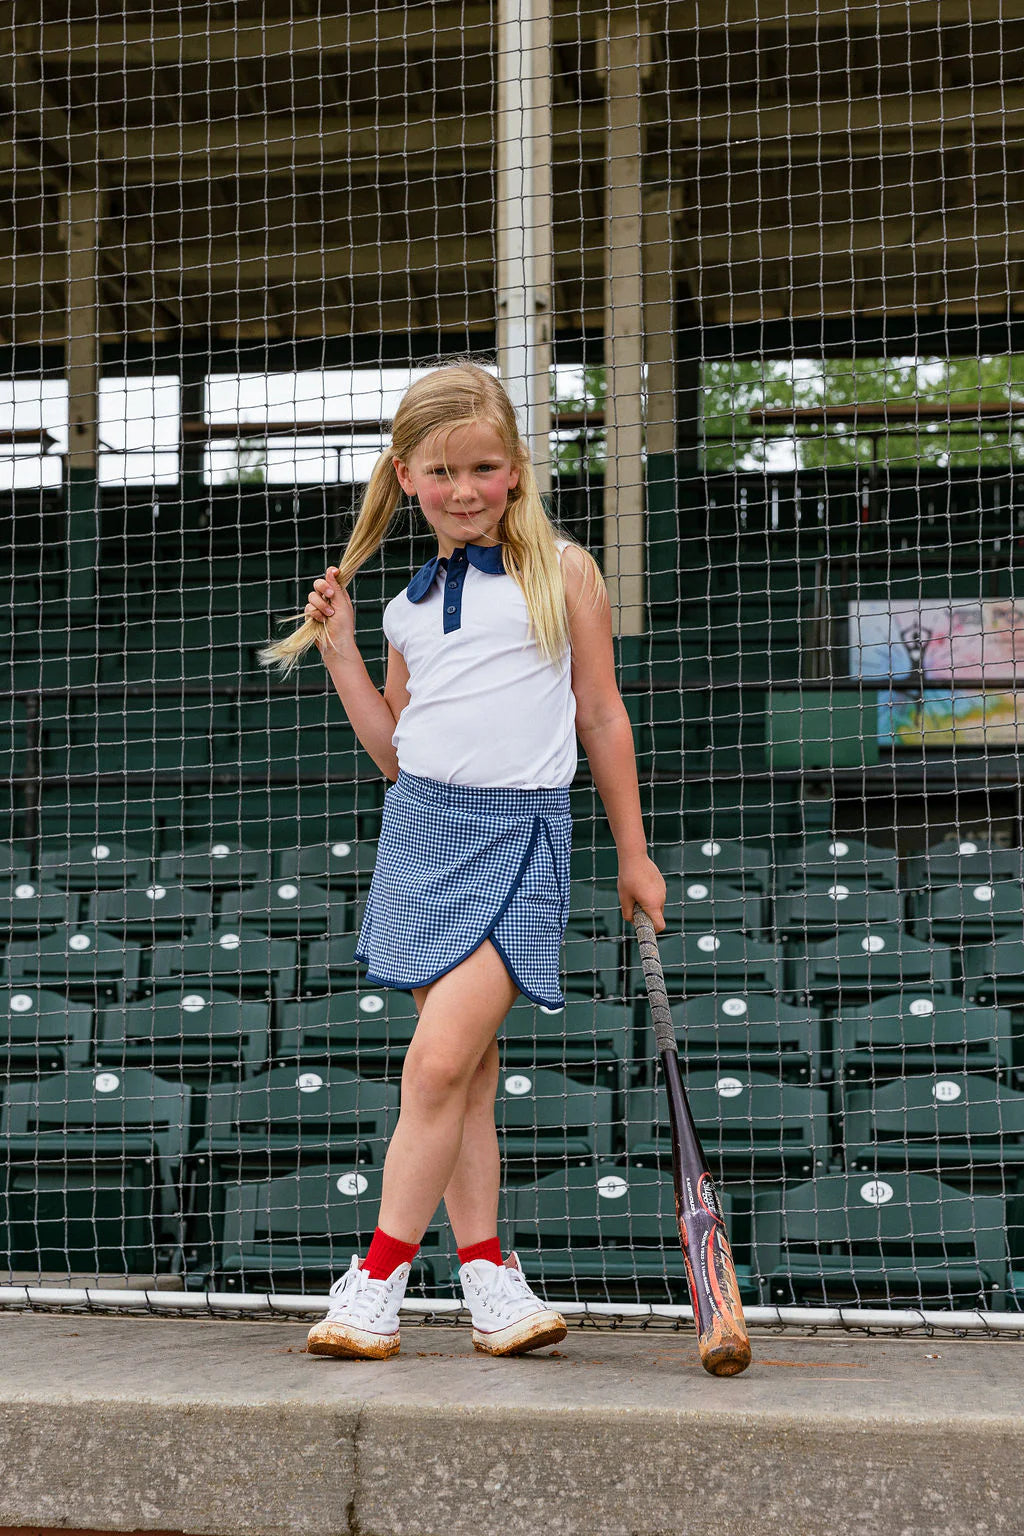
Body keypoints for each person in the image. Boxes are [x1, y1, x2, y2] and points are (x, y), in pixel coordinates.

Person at [259, 360, 666, 1360]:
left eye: (484, 467)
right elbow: (397, 752)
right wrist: (346, 653)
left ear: (517, 471)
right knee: (466, 1079)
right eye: (442, 472)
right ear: (406, 478)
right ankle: (494, 1288)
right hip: (419, 835)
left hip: (521, 835)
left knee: (435, 1064)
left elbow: (601, 715)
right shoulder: (400, 606)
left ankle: (375, 1281)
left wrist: (633, 853)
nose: (465, 490)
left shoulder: (561, 571)